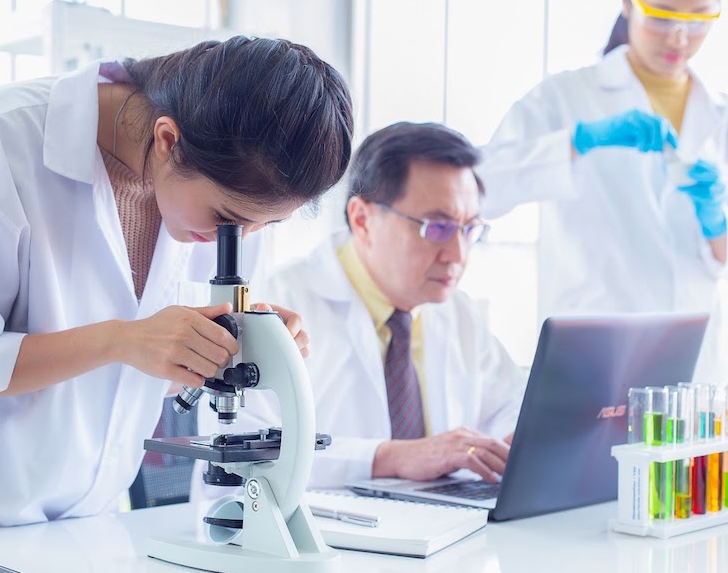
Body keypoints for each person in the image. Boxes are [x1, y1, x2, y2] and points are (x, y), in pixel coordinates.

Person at [0, 36, 353, 573]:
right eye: (228, 217)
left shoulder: (211, 189)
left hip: (83, 529)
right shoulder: (1, 136)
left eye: (263, 225)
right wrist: (123, 341)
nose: (239, 238)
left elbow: (160, 360)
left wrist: (240, 347)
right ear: (168, 139)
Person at [203, 122, 526, 490]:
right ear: (362, 219)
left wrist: (518, 439)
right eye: (437, 228)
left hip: (443, 528)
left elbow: (511, 405)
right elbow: (237, 445)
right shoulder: (276, 308)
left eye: (469, 229)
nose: (458, 254)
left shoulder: (459, 313)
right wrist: (391, 458)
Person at [478, 0, 728, 382]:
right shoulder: (564, 97)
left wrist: (718, 225)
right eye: (662, 16)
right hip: (593, 357)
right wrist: (574, 143)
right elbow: (479, 189)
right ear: (628, 1)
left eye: (699, 19)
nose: (680, 37)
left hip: (693, 365)